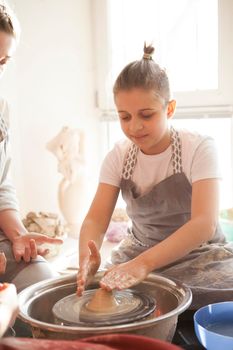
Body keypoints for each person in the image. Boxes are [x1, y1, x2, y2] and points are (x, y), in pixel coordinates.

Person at [77, 43, 233, 309]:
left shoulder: (199, 147)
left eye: (146, 115)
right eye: (124, 117)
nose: (134, 126)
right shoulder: (119, 156)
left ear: (169, 109)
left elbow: (204, 224)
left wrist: (143, 266)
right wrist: (85, 259)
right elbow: (96, 219)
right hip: (139, 248)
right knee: (103, 296)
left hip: (199, 253)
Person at [0, 3, 63, 291]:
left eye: (2, 62)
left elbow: (1, 188)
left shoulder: (2, 109)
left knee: (42, 287)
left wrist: (18, 235)